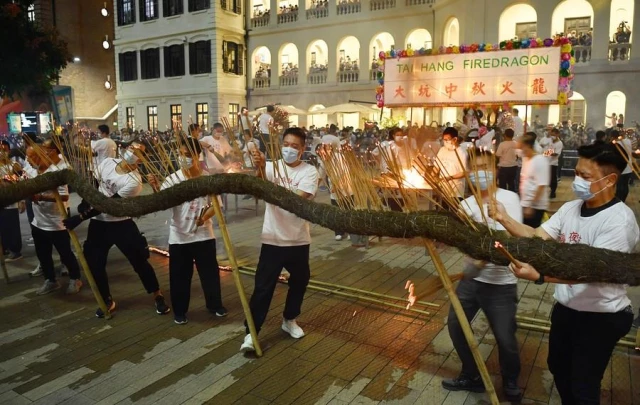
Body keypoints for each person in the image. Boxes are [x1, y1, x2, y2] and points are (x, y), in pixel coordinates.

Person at [490, 142, 638, 405]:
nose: (577, 181)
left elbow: (590, 271)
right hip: (567, 308)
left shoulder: (619, 221)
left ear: (611, 179)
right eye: (576, 173)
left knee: (583, 383)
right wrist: (503, 219)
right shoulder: (571, 208)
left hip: (601, 316)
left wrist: (541, 277)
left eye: (585, 176)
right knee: (559, 367)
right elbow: (538, 237)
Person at [442, 149, 523, 402]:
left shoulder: (509, 199)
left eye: (485, 166)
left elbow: (509, 239)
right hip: (470, 280)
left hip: (500, 284)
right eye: (475, 168)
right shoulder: (465, 205)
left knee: (505, 337)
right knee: (456, 327)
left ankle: (510, 379)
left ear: (496, 169)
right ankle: (472, 374)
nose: (481, 173)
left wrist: (481, 258)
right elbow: (461, 239)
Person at [63, 142, 170, 318]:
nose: (132, 153)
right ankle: (106, 299)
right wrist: (85, 201)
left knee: (140, 262)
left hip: (121, 223)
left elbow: (109, 204)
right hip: (99, 224)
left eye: (138, 152)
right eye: (131, 149)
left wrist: (81, 217)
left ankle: (157, 294)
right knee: (95, 264)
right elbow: (93, 183)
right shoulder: (107, 163)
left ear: (142, 159)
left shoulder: (134, 182)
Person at [240, 127, 318, 352]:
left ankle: (289, 319)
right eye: (286, 144)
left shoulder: (309, 172)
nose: (289, 149)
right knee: (263, 287)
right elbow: (258, 188)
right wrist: (260, 167)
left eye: (295, 146)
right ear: (281, 144)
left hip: (298, 239)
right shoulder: (271, 167)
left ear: (302, 149)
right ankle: (251, 332)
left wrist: (269, 183)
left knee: (300, 280)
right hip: (273, 238)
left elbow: (297, 200)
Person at [152, 138, 226, 324]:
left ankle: (215, 304)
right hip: (179, 237)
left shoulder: (206, 178)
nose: (183, 158)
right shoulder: (172, 180)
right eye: (180, 154)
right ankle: (180, 311)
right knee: (179, 277)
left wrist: (203, 218)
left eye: (187, 155)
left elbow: (216, 205)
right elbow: (162, 206)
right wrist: (156, 190)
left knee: (210, 274)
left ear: (196, 156)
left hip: (203, 235)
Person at [25, 142, 83, 295]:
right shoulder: (32, 170)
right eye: (27, 156)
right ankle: (51, 280)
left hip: (56, 222)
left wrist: (41, 196)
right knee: (43, 254)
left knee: (65, 253)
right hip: (38, 221)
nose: (28, 159)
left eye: (30, 156)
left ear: (40, 155)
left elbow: (64, 196)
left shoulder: (56, 171)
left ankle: (75, 278)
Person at [518, 132, 549, 227]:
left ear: (528, 146)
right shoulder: (526, 159)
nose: (520, 151)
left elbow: (541, 185)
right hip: (525, 203)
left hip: (535, 206)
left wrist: (531, 205)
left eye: (521, 147)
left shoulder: (540, 160)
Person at [0, 140, 24, 262]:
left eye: (3, 150)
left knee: (12, 227)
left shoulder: (14, 165)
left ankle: (15, 251)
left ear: (8, 150)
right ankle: (4, 248)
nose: (1, 152)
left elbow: (21, 183)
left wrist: (21, 201)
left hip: (11, 202)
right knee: (3, 227)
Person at [436, 127, 468, 206]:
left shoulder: (462, 152)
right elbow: (436, 166)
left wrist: (450, 177)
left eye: (448, 139)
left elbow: (464, 172)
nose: (446, 142)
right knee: (443, 211)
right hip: (443, 189)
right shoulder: (442, 150)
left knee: (454, 213)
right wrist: (433, 175)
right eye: (444, 139)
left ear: (455, 139)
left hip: (456, 190)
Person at [613, 130, 632, 202]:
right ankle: (623, 199)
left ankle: (618, 200)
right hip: (629, 167)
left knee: (620, 185)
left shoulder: (616, 143)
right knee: (625, 185)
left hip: (621, 168)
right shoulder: (628, 141)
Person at [546, 128, 564, 199]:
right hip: (547, 162)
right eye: (551, 135)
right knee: (548, 178)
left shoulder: (559, 143)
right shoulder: (550, 141)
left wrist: (545, 153)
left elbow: (556, 153)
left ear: (557, 134)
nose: (552, 136)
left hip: (553, 163)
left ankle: (553, 191)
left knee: (553, 178)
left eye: (553, 135)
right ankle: (550, 189)